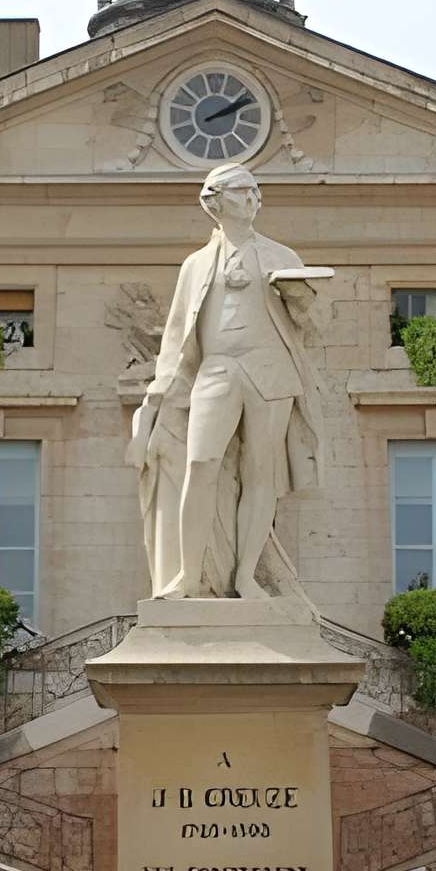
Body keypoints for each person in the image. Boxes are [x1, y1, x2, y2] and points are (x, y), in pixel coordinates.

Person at [129, 164, 325, 601]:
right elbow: (177, 337)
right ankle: (189, 577)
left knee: (261, 474)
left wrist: (298, 299)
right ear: (213, 201)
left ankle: (245, 578)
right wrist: (156, 403)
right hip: (217, 369)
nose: (254, 198)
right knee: (199, 466)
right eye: (243, 191)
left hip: (270, 370)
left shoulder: (282, 257)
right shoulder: (196, 265)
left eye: (257, 190)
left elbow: (312, 327)